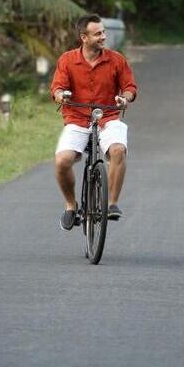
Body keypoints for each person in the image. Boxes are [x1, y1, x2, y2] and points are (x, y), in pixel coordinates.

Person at [50, 14, 138, 231]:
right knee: (62, 161)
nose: (103, 37)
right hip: (77, 118)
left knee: (118, 150)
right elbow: (57, 88)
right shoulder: (67, 60)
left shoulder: (116, 60)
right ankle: (71, 205)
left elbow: (130, 87)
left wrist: (124, 99)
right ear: (84, 37)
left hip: (108, 117)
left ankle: (111, 204)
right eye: (98, 33)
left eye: (103, 32)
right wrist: (61, 96)